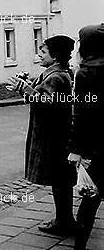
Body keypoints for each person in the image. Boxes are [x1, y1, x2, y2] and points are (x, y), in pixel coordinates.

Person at [7, 34, 77, 235]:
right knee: (60, 180)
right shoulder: (55, 73)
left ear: (54, 56)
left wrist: (25, 89)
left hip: (53, 137)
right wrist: (26, 86)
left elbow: (48, 103)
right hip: (56, 135)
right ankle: (64, 218)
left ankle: (64, 221)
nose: (39, 54)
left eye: (43, 51)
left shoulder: (56, 77)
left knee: (60, 180)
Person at [68, 23, 104, 250]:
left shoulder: (86, 73)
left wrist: (76, 149)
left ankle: (79, 246)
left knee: (89, 199)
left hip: (96, 145)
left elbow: (82, 114)